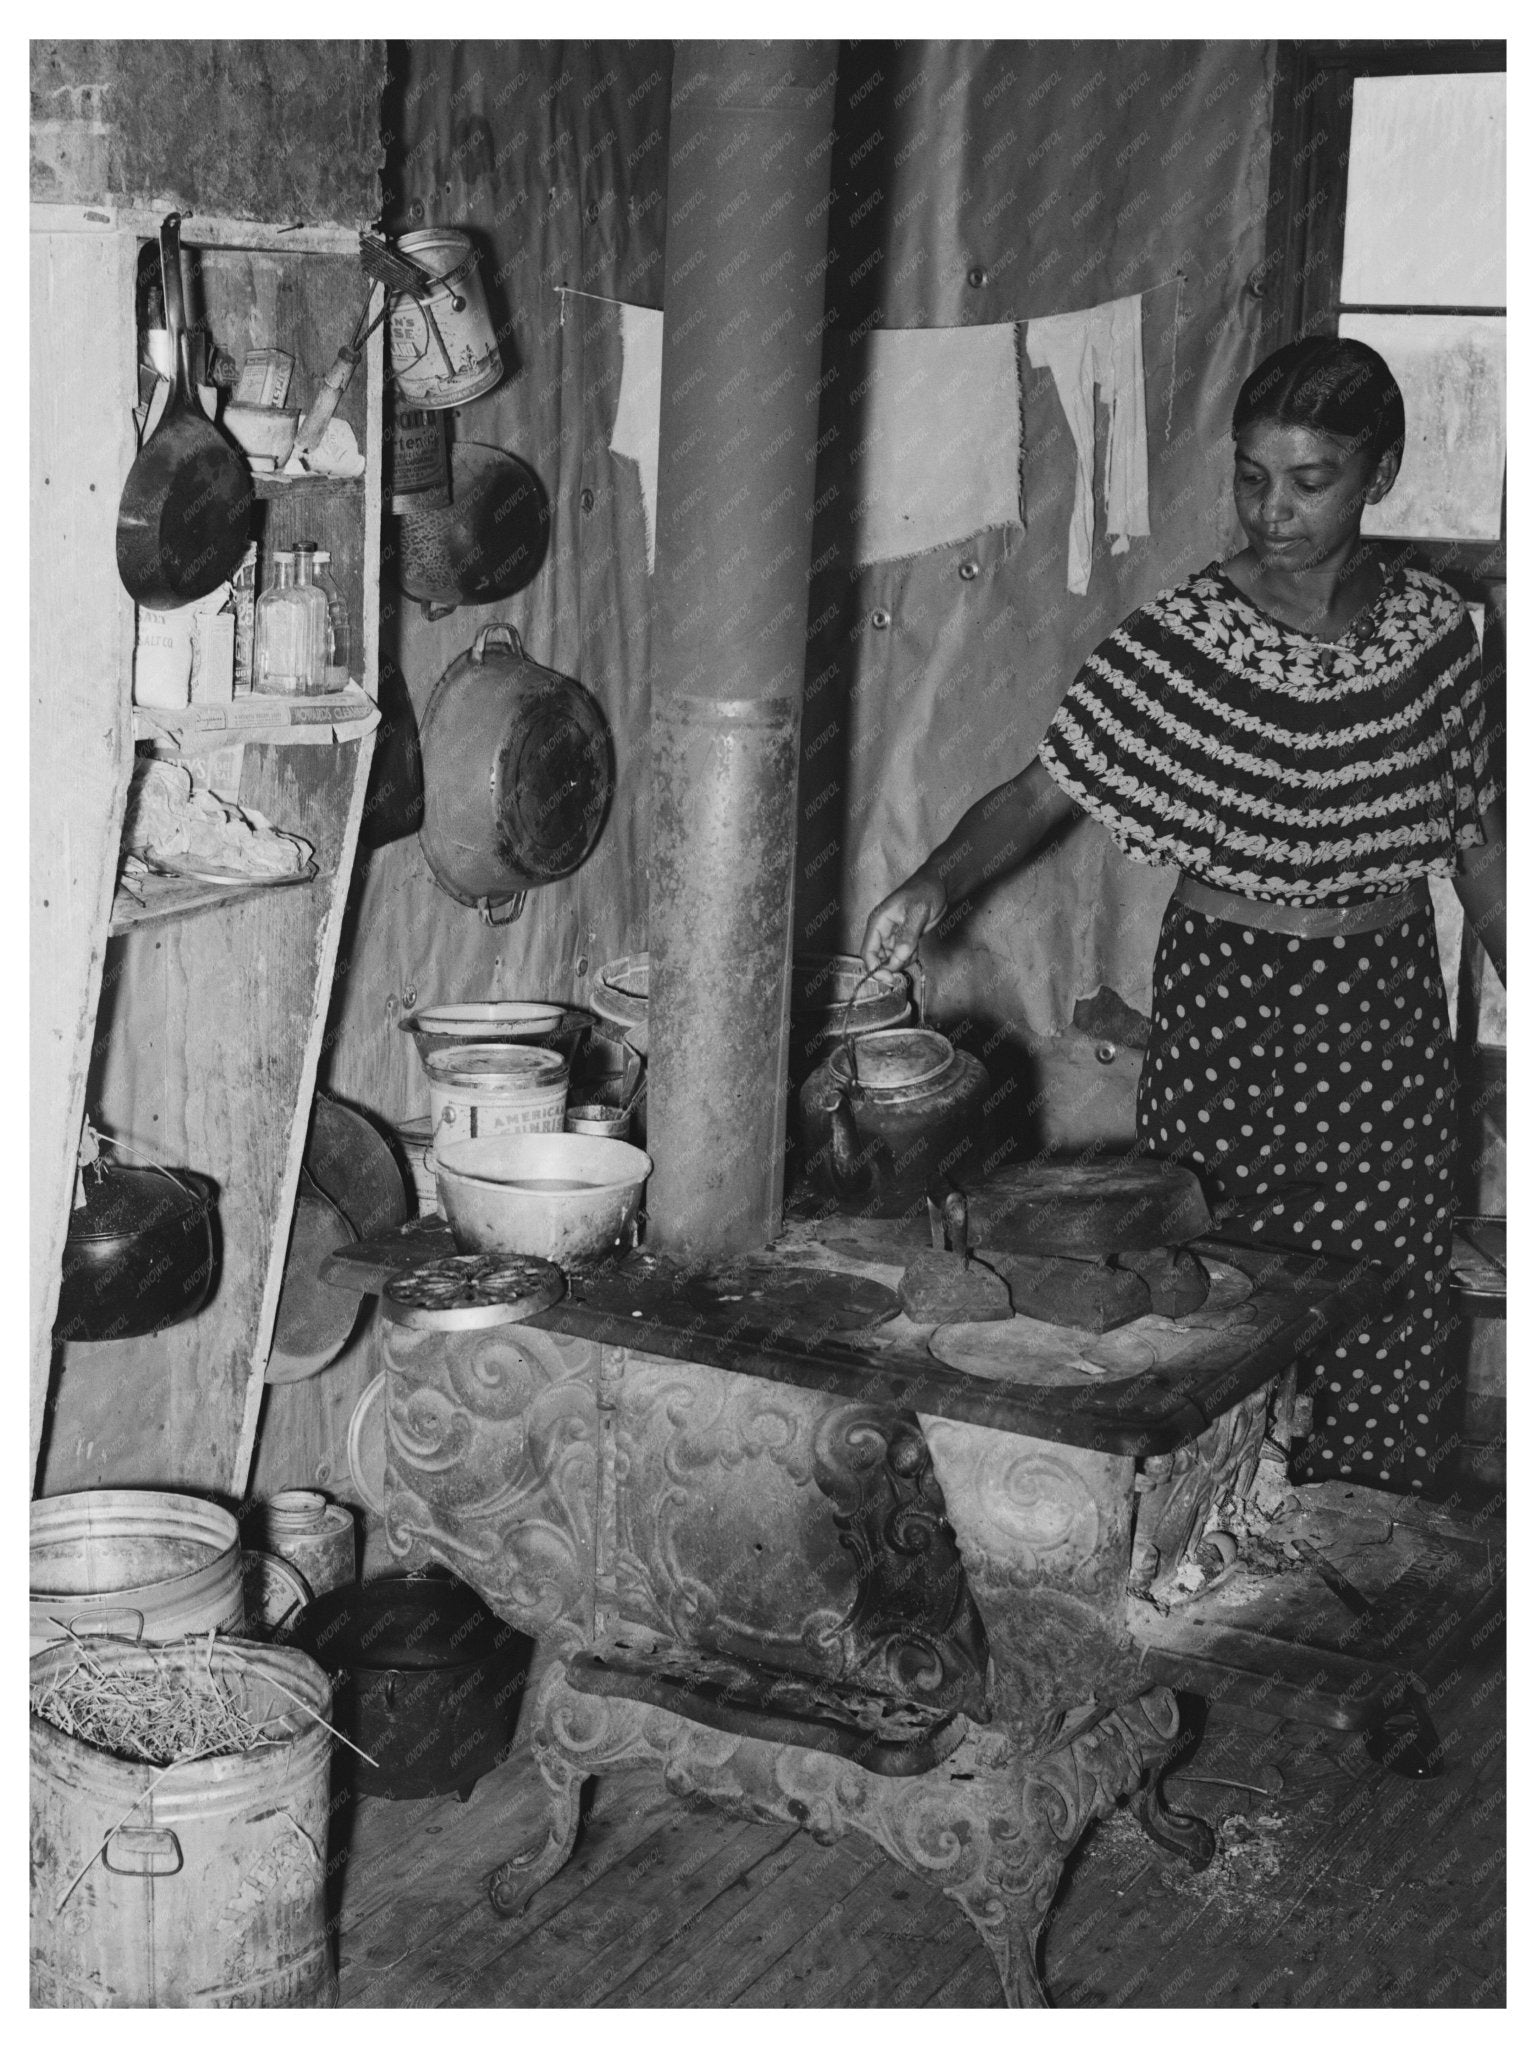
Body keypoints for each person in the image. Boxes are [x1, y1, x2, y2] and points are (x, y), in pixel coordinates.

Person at [860, 336, 1505, 1497]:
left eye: (1311, 480)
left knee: (1386, 1291)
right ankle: (1211, 1533)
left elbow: (1479, 841)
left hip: (1384, 1010)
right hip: (1233, 1004)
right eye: (1253, 475)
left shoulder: (1439, 638)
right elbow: (1045, 787)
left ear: (1382, 471)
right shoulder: (1188, 637)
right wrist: (937, 882)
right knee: (1209, 1292)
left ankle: (1354, 1540)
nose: (1274, 508)